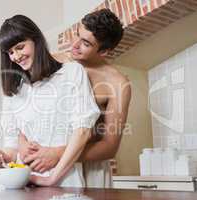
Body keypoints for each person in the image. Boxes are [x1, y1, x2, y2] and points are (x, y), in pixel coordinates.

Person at [18, 9, 132, 188]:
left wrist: (58, 154)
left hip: (90, 172)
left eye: (85, 43)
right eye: (77, 35)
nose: (74, 45)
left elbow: (109, 146)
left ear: (104, 51)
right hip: (42, 164)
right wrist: (22, 143)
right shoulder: (54, 61)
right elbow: (28, 111)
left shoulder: (117, 83)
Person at [0, 14, 100, 187]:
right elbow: (12, 148)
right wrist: (3, 157)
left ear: (36, 40)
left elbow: (83, 132)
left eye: (20, 47)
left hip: (65, 183)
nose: (16, 56)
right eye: (10, 52)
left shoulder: (72, 73)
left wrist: (51, 179)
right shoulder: (16, 89)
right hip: (26, 182)